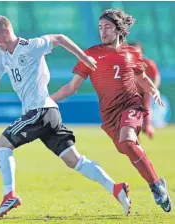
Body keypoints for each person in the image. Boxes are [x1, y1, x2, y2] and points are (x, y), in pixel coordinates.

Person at [0, 15, 131, 219]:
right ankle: (116, 188)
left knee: (0, 145)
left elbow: (59, 38)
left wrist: (84, 58)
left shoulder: (31, 46)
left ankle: (9, 195)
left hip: (40, 110)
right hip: (48, 113)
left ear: (6, 31)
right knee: (74, 160)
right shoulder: (0, 54)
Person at [51, 9, 172, 213]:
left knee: (127, 140)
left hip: (131, 105)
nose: (103, 31)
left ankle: (156, 187)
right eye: (100, 27)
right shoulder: (90, 54)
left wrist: (153, 90)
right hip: (109, 115)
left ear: (119, 30)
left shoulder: (131, 53)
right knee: (126, 147)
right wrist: (48, 100)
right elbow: (71, 87)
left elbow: (141, 78)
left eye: (107, 27)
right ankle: (157, 181)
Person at [129, 42, 161, 138]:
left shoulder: (147, 63)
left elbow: (156, 77)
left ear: (141, 52)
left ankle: (147, 127)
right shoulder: (126, 64)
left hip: (144, 92)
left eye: (136, 51)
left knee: (146, 108)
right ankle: (135, 134)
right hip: (132, 93)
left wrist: (153, 89)